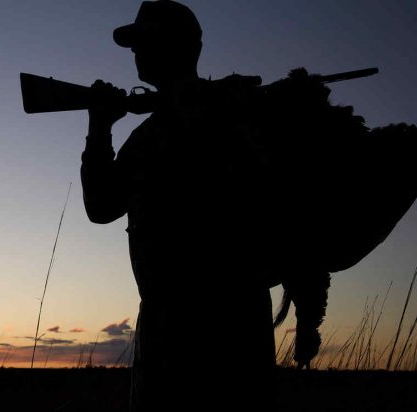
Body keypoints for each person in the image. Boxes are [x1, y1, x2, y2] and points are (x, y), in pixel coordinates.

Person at [80, 1, 277, 410]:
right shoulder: (233, 115)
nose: (135, 52)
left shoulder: (162, 133)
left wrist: (99, 127)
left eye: (143, 42)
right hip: (235, 327)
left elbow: (100, 206)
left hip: (181, 334)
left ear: (173, 46)